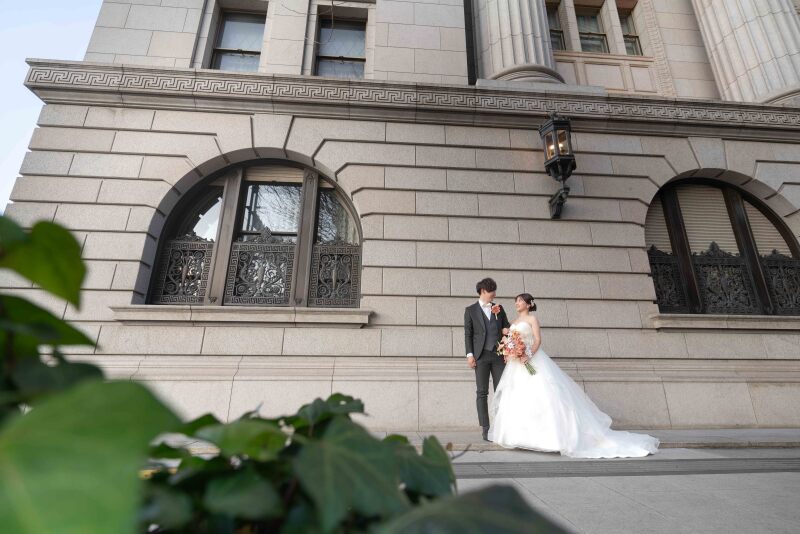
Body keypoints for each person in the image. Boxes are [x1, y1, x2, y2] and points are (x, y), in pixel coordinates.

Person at [489, 293, 659, 458]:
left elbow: (538, 340)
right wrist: (509, 344)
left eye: (520, 301)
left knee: (545, 395)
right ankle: (519, 436)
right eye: (516, 301)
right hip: (517, 364)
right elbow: (508, 336)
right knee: (519, 397)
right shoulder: (514, 322)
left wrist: (528, 354)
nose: (517, 303)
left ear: (528, 304)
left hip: (531, 359)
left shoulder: (532, 319)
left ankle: (552, 439)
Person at [464, 277, 510, 442]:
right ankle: (486, 427)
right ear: (483, 291)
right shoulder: (470, 310)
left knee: (501, 391)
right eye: (492, 291)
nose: (494, 294)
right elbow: (468, 335)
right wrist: (470, 355)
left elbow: (507, 326)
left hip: (498, 355)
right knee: (482, 392)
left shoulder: (499, 308)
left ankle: (501, 425)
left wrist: (507, 331)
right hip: (481, 356)